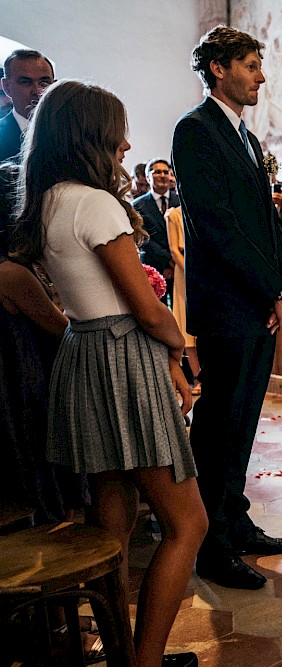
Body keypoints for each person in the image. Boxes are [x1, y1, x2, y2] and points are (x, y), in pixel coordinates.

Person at [11, 79, 204, 667]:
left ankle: (121, 649)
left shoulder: (43, 200)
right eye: (117, 130)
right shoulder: (95, 203)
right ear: (90, 133)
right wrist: (183, 346)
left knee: (110, 517)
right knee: (186, 524)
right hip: (123, 355)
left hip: (83, 353)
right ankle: (144, 660)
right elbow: (143, 306)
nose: (125, 144)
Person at [172, 25, 282, 592]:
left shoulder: (244, 136)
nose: (261, 75)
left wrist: (280, 285)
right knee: (218, 426)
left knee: (243, 422)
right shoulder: (195, 131)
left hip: (254, 303)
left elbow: (265, 222)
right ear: (219, 68)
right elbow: (218, 226)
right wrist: (275, 288)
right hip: (228, 305)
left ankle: (235, 518)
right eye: (251, 64)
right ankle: (210, 546)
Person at [0, 255, 86, 522]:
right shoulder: (10, 274)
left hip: (13, 394)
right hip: (24, 394)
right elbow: (63, 332)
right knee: (49, 495)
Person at [164, 206, 200, 394]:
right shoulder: (173, 214)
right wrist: (192, 274)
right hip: (185, 273)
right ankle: (197, 377)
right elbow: (174, 250)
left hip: (206, 274)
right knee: (186, 324)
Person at [133, 158, 179, 302]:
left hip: (179, 266)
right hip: (155, 266)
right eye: (157, 172)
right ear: (148, 177)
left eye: (166, 172)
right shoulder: (138, 205)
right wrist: (168, 259)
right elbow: (144, 238)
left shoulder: (180, 201)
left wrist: (176, 260)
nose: (162, 175)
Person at [0, 49, 54, 164]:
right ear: (7, 87)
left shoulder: (71, 133)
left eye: (44, 82)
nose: (37, 91)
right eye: (25, 82)